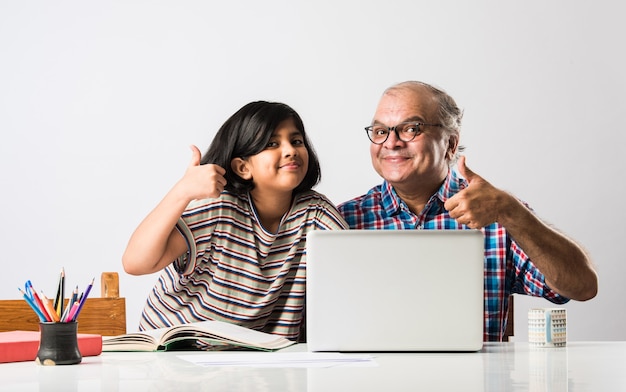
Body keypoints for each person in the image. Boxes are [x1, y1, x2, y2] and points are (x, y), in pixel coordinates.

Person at [338, 81, 598, 341]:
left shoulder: (498, 212)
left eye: (411, 129)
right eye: (381, 131)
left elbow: (583, 287)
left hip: (478, 380)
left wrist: (511, 212)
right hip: (373, 378)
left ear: (450, 143)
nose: (391, 142)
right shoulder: (342, 222)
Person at [122, 101, 348, 341]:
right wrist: (183, 191)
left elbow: (354, 274)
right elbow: (136, 263)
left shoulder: (316, 213)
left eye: (296, 141)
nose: (290, 150)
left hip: (251, 361)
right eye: (272, 143)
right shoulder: (218, 207)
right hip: (174, 351)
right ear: (242, 167)